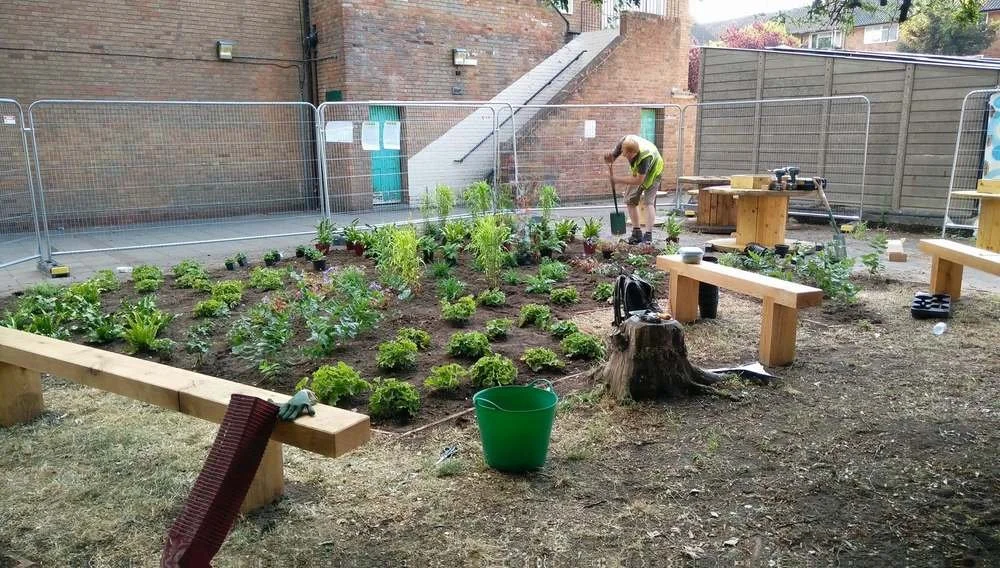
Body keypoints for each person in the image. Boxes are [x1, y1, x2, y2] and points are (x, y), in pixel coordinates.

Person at [604, 134, 664, 244]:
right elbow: (612, 158)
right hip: (639, 172)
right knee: (630, 200)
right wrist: (608, 159)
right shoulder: (624, 142)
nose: (625, 156)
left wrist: (616, 179)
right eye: (624, 153)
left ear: (634, 153)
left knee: (648, 202)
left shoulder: (645, 158)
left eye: (628, 156)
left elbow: (638, 180)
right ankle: (637, 233)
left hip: (655, 171)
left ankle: (648, 236)